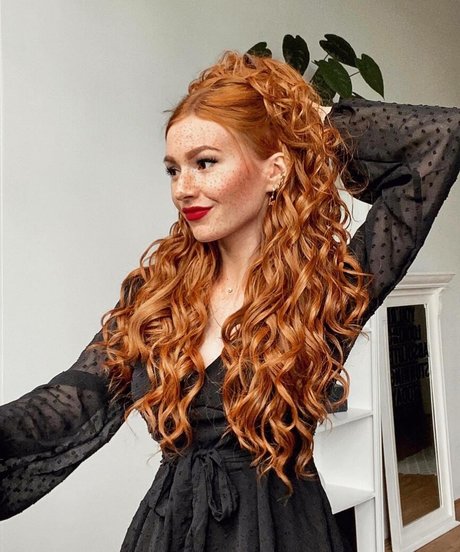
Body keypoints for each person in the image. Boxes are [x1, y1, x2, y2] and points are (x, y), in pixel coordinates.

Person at [1, 51, 459, 552]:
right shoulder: (156, 296)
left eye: (205, 163)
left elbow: (440, 137)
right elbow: (67, 405)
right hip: (169, 533)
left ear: (274, 170)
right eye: (173, 170)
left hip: (284, 534)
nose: (183, 188)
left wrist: (303, 124)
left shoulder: (327, 288)